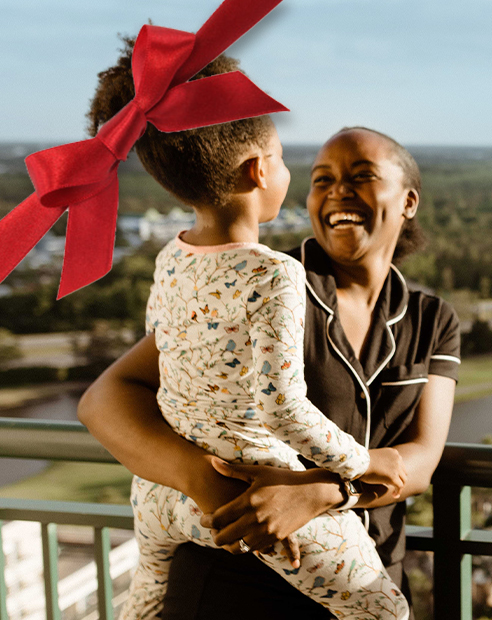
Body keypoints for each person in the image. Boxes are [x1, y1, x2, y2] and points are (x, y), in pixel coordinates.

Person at [82, 38, 414, 620]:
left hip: (162, 497)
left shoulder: (170, 258)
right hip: (254, 494)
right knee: (384, 611)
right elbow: (282, 411)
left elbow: (170, 362)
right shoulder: (274, 273)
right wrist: (361, 464)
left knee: (143, 605)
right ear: (260, 170)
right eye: (284, 159)